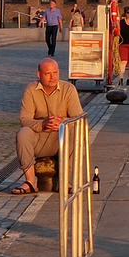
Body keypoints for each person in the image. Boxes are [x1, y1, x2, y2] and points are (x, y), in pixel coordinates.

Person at [12, 58, 84, 194]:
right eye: (48, 74)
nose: (53, 77)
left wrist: (63, 123)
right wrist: (43, 124)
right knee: (23, 133)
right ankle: (30, 181)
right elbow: (24, 118)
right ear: (39, 75)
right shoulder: (30, 90)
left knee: (75, 132)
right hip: (39, 139)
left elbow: (79, 118)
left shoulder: (68, 89)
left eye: (55, 73)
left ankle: (64, 180)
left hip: (60, 139)